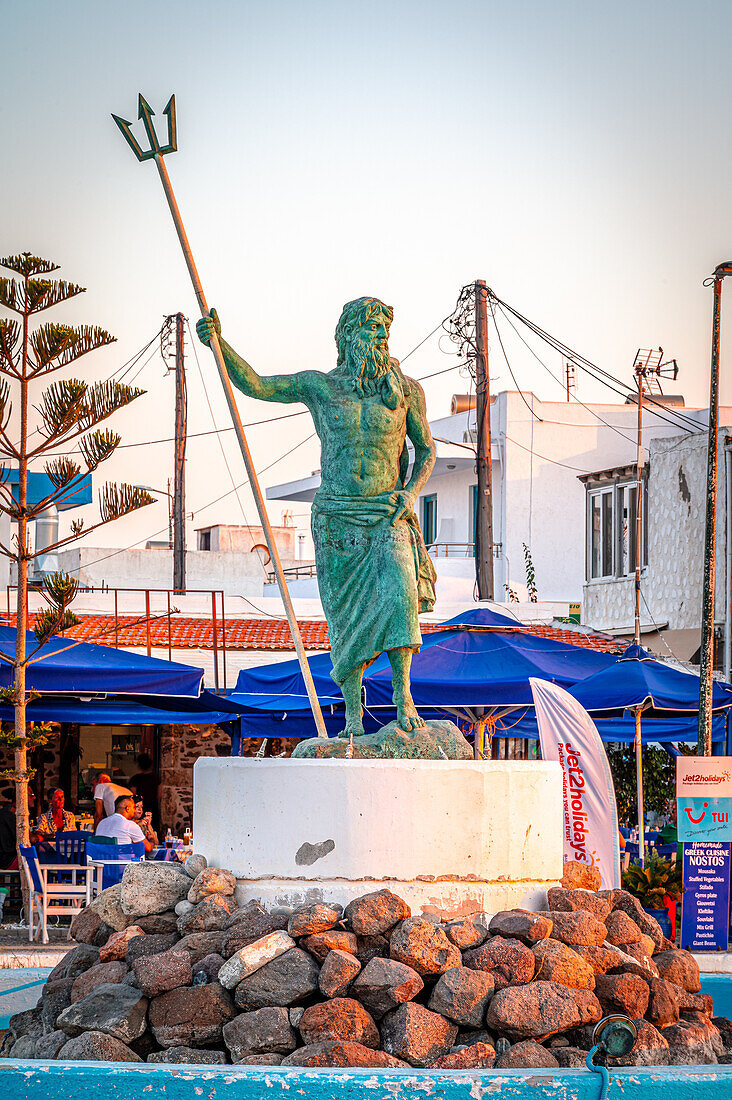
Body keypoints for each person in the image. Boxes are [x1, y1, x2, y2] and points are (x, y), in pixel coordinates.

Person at [197, 298, 437, 739]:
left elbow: (427, 449)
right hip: (337, 516)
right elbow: (257, 385)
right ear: (348, 336)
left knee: (400, 593)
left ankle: (403, 696)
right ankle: (350, 712)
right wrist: (219, 343)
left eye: (384, 331)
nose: (380, 339)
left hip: (386, 510)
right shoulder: (321, 387)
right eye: (371, 331)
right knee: (345, 619)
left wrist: (411, 492)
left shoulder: (405, 391)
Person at [130, 754, 160, 826]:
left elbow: (133, 794)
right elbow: (159, 794)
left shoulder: (135, 778)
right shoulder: (156, 777)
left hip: (140, 806)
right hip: (153, 805)